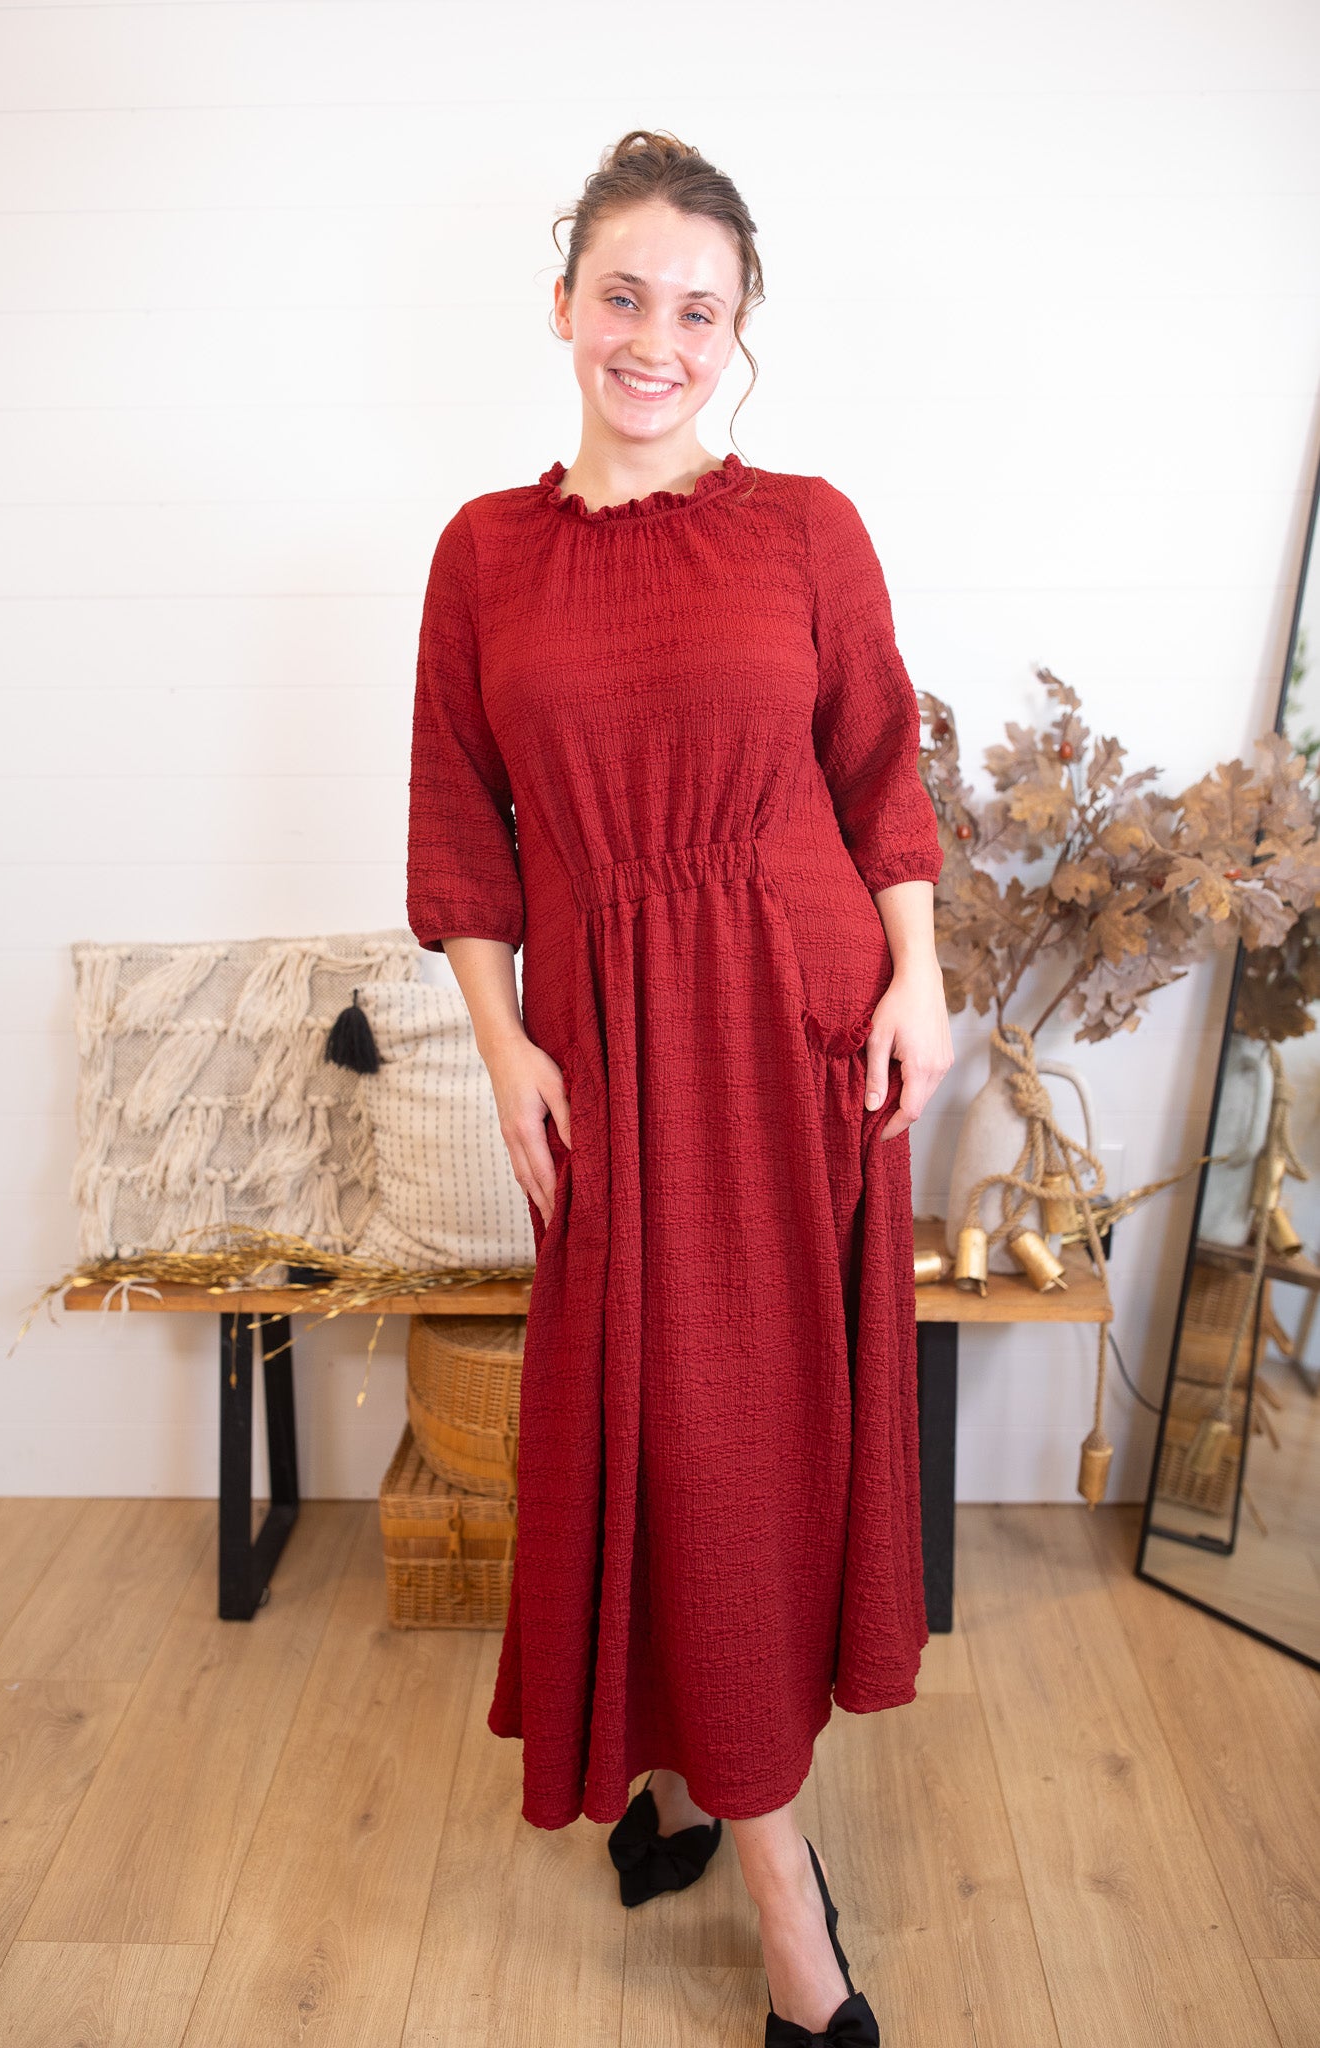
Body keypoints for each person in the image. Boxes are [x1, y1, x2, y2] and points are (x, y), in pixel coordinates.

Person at [406, 128, 953, 2045]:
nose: (655, 339)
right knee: (652, 1430)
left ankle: (767, 1866)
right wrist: (504, 1048)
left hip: (801, 1031)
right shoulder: (484, 553)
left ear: (737, 333)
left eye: (696, 310)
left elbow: (878, 772)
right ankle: (703, 1788)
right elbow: (459, 831)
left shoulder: (805, 524)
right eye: (622, 296)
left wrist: (919, 982)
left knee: (753, 1443)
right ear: (564, 305)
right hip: (610, 1055)